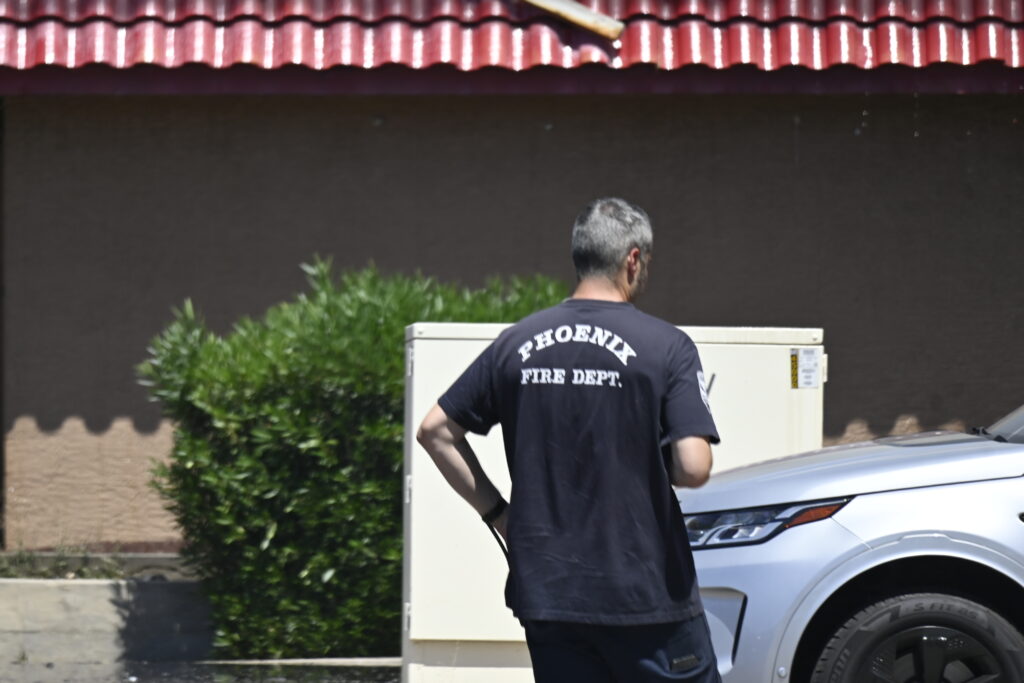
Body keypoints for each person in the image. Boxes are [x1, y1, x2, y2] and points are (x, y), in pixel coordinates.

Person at [416, 198, 722, 683]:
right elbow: (693, 466)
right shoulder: (667, 347)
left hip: (551, 594)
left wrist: (499, 514)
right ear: (633, 260)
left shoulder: (516, 343)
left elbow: (434, 432)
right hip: (645, 594)